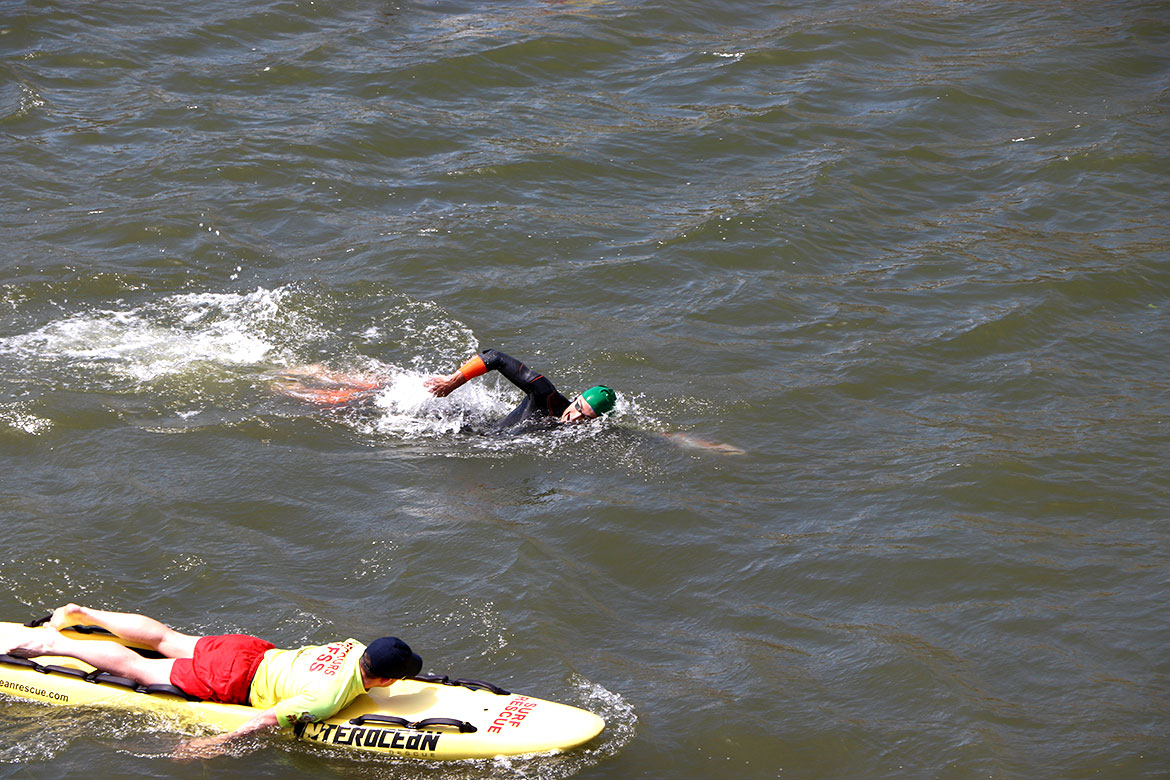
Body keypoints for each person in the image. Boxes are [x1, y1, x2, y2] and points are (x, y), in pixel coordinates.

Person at [0, 604, 422, 757]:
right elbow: (264, 720)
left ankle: (83, 615)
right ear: (384, 680)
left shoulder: (348, 646)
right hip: (236, 678)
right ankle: (53, 643)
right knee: (141, 669)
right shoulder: (329, 700)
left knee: (167, 638)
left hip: (250, 649)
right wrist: (215, 743)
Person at [423, 348, 616, 429]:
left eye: (585, 418)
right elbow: (495, 357)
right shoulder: (545, 394)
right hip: (467, 430)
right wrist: (453, 381)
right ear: (577, 398)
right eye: (579, 408)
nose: (574, 418)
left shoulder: (580, 432)